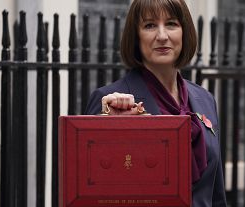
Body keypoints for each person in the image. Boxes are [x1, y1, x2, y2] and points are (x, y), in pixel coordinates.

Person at [85, 0, 227, 206]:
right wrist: (107, 125)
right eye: (150, 25)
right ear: (136, 37)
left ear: (184, 32)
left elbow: (216, 195)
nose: (162, 36)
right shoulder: (110, 102)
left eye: (171, 23)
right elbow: (93, 190)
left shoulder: (205, 99)